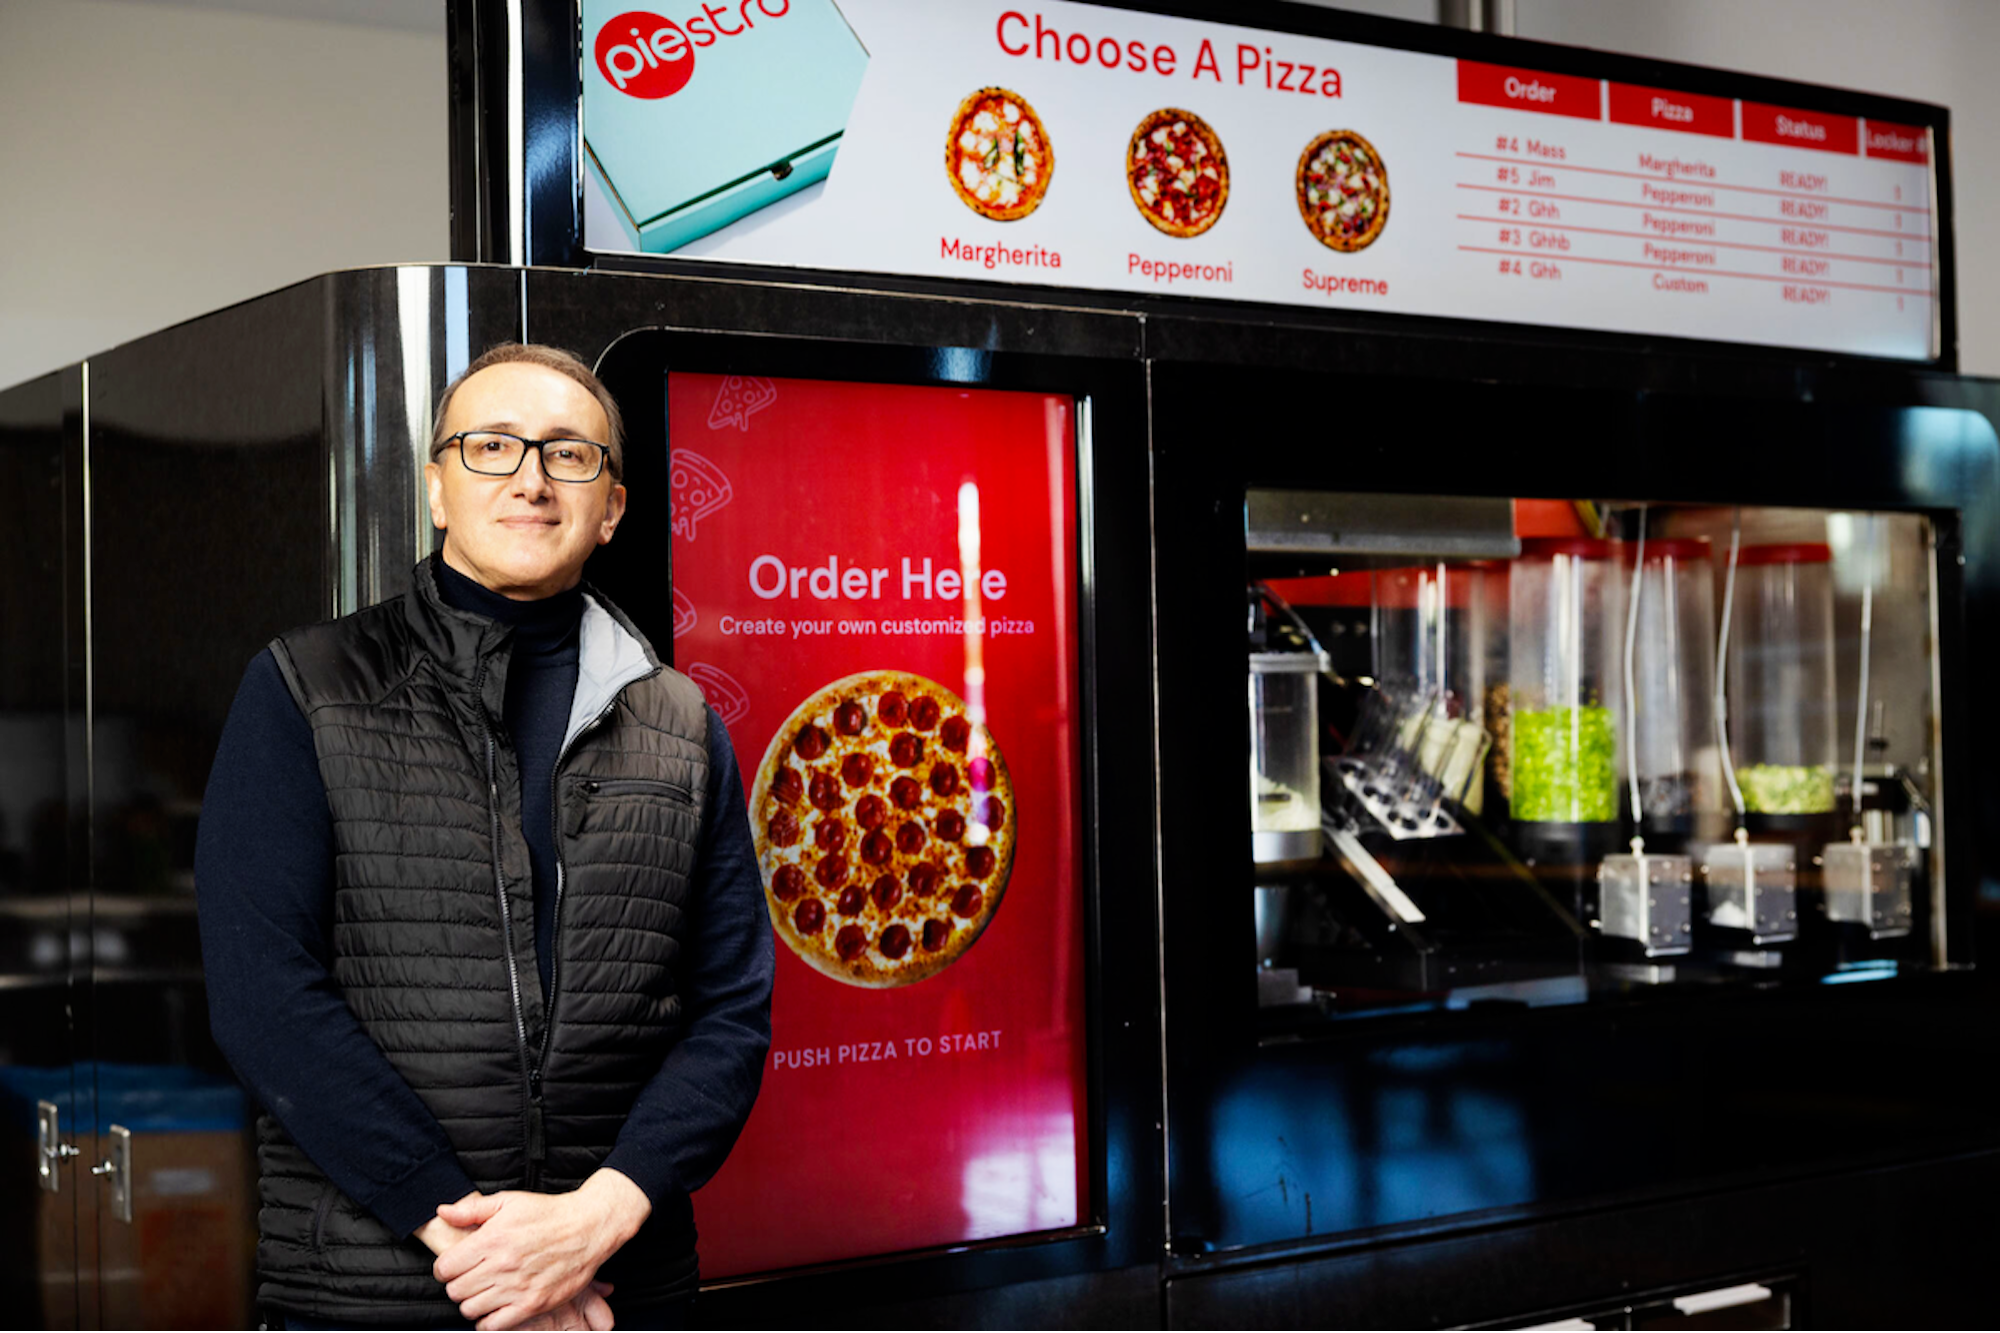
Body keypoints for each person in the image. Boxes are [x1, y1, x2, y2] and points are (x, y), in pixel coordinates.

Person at [196, 343, 774, 1333]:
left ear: (615, 508)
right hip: (377, 1296)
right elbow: (264, 1001)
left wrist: (598, 1214)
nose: (531, 480)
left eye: (568, 455)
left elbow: (730, 1011)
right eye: (492, 446)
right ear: (435, 487)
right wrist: (489, 1255)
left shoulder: (680, 721)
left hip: (620, 1289)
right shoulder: (308, 688)